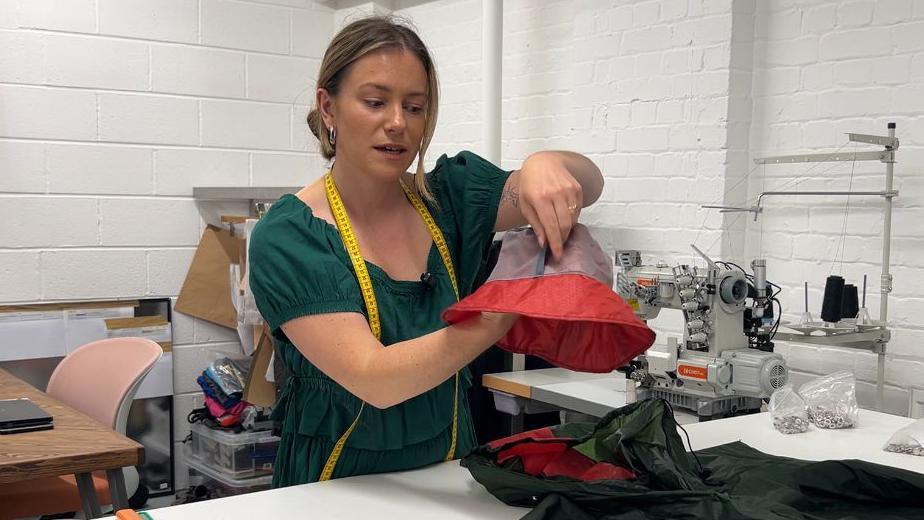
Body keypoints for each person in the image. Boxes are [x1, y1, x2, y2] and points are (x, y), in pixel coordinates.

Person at [249, 15, 604, 487]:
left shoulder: (449, 200)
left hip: (449, 479)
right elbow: (375, 378)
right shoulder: (292, 234)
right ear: (328, 107)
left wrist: (544, 164)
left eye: (414, 107)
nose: (397, 123)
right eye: (375, 102)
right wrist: (501, 309)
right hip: (332, 489)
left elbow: (590, 184)